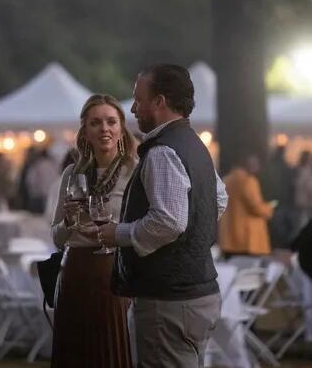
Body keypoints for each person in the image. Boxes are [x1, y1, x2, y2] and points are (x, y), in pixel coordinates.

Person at [88, 64, 228, 367]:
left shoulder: (163, 152)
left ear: (160, 102)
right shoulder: (194, 145)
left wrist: (118, 233)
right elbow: (218, 199)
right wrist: (192, 237)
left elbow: (168, 222)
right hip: (197, 294)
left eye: (138, 100)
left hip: (168, 302)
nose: (134, 109)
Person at [51, 94, 137, 368]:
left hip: (114, 270)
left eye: (111, 122)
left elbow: (140, 229)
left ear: (121, 129)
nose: (104, 129)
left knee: (112, 352)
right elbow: (56, 237)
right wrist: (68, 221)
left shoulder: (134, 172)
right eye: (96, 122)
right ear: (85, 131)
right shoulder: (71, 174)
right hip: (75, 271)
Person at [219, 154, 274, 256]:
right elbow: (256, 207)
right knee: (248, 271)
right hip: (247, 240)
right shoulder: (249, 181)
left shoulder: (226, 180)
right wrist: (269, 208)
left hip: (228, 238)